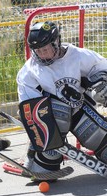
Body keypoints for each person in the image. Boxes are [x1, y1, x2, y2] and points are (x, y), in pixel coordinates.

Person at [16, 21, 107, 174]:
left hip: (80, 109)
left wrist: (100, 83)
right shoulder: (29, 71)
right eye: (37, 50)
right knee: (53, 112)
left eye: (45, 49)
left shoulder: (79, 56)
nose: (42, 54)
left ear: (56, 41)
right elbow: (29, 107)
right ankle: (41, 160)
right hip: (53, 119)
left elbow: (103, 69)